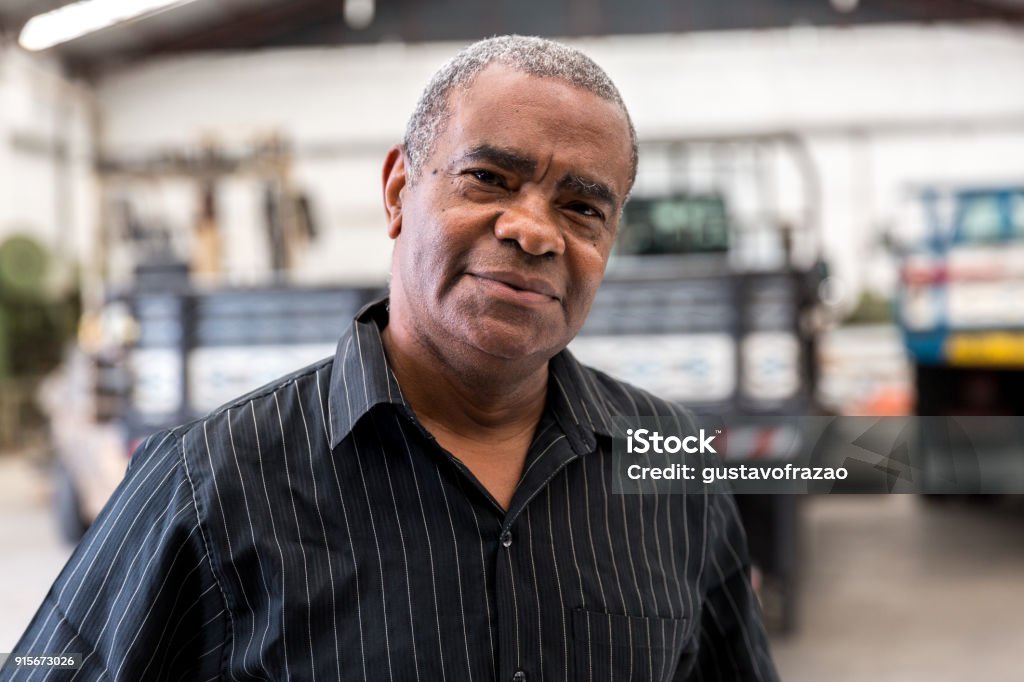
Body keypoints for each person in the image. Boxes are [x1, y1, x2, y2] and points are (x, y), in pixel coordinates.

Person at [3, 35, 778, 681]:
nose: (535, 231)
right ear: (399, 191)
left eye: (582, 207)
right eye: (489, 178)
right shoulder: (206, 485)